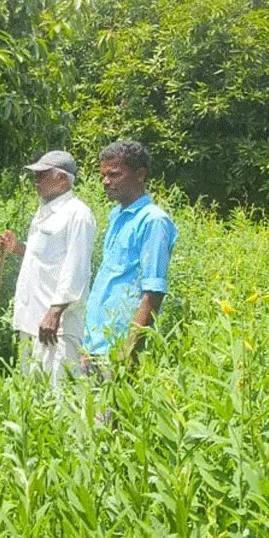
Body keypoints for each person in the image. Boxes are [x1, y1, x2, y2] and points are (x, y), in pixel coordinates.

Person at [0, 151, 96, 395]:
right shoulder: (44, 210)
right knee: (31, 394)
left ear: (62, 179)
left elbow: (77, 267)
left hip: (55, 326)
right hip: (31, 320)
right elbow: (45, 257)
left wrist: (55, 312)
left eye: (42, 175)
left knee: (59, 395)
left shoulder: (78, 214)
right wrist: (18, 248)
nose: (36, 180)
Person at [83, 140, 178, 368]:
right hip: (95, 343)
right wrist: (86, 343)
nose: (106, 182)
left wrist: (129, 350)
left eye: (114, 174)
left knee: (112, 405)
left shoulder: (153, 221)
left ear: (140, 174)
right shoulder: (117, 215)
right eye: (103, 176)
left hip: (120, 346)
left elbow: (153, 292)